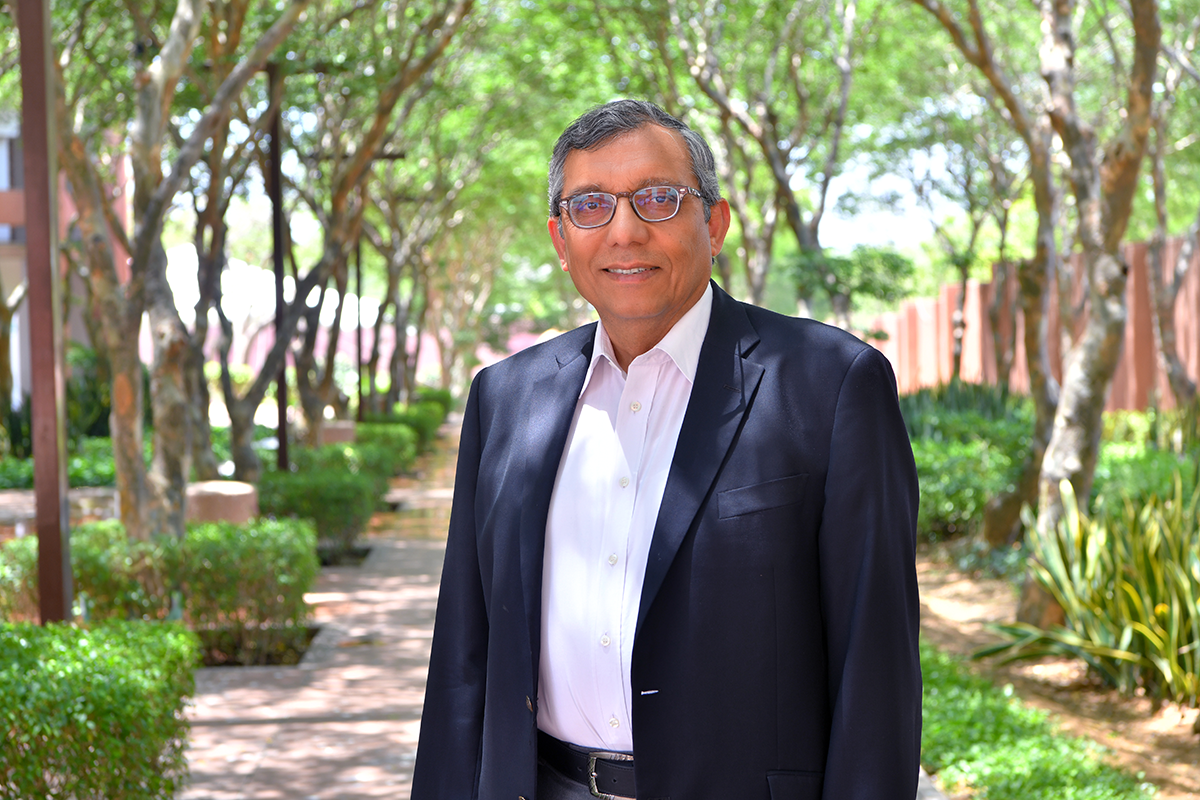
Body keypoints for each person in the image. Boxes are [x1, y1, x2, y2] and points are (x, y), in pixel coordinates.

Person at [411, 99, 921, 800]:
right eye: (590, 206)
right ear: (561, 240)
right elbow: (462, 661)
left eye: (657, 199)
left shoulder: (829, 385)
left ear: (714, 224)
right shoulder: (505, 399)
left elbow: (876, 667)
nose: (624, 231)